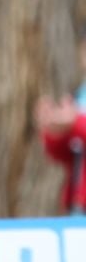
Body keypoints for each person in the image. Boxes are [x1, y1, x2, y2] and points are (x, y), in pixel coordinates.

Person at [35, 35, 86, 215]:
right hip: (77, 204)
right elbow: (65, 154)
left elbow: (79, 126)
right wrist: (52, 130)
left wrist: (75, 122)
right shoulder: (79, 96)